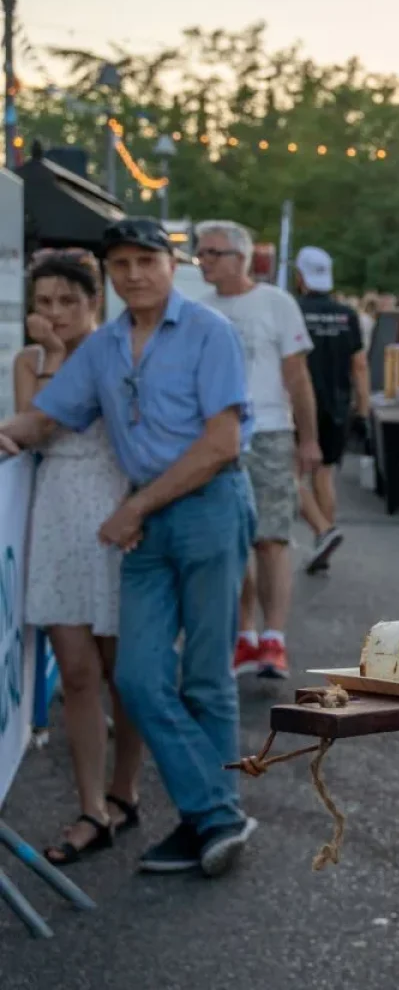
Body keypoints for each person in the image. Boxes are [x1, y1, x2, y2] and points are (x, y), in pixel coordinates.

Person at [0, 217, 257, 877]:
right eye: (121, 265)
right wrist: (8, 433)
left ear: (173, 266)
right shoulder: (105, 346)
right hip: (142, 516)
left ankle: (205, 818)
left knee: (204, 678)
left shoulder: (210, 333)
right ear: (110, 276)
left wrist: (135, 506)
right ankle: (216, 814)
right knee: (140, 678)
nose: (134, 275)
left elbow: (221, 444)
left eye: (146, 260)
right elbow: (48, 415)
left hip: (202, 505)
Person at [13, 251, 144, 865]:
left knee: (126, 672)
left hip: (116, 503)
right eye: (44, 303)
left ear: (96, 302)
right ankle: (90, 805)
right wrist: (56, 352)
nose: (56, 314)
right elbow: (38, 420)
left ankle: (126, 789)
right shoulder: (30, 362)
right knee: (76, 671)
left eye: (69, 301)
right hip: (59, 511)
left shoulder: (122, 354)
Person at [199, 220, 319, 680]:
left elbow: (297, 376)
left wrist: (307, 438)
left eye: (214, 253)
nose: (204, 260)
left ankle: (274, 639)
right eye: (201, 253)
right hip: (216, 435)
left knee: (270, 539)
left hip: (268, 430)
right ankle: (242, 636)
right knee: (230, 542)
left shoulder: (276, 303)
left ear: (241, 258)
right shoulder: (198, 310)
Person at [292, 247, 370, 573]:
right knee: (325, 475)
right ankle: (323, 542)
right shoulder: (347, 315)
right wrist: (363, 409)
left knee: (288, 476)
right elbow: (360, 365)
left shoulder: (293, 310)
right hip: (338, 405)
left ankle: (323, 532)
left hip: (298, 405)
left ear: (300, 276)